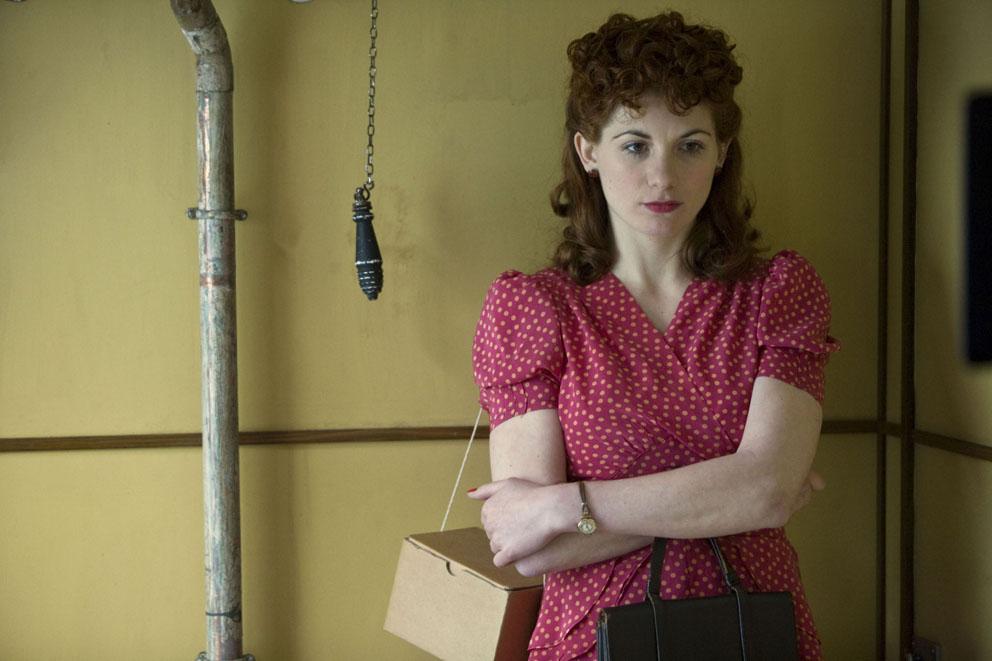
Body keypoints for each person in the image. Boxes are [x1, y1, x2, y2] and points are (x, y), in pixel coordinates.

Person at [467, 11, 840, 661]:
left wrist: (568, 505)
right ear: (589, 151)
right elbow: (534, 549)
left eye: (690, 145)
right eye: (635, 145)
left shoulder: (777, 294)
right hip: (589, 642)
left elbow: (768, 491)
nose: (663, 176)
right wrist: (737, 498)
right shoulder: (533, 309)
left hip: (751, 636)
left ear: (721, 152)